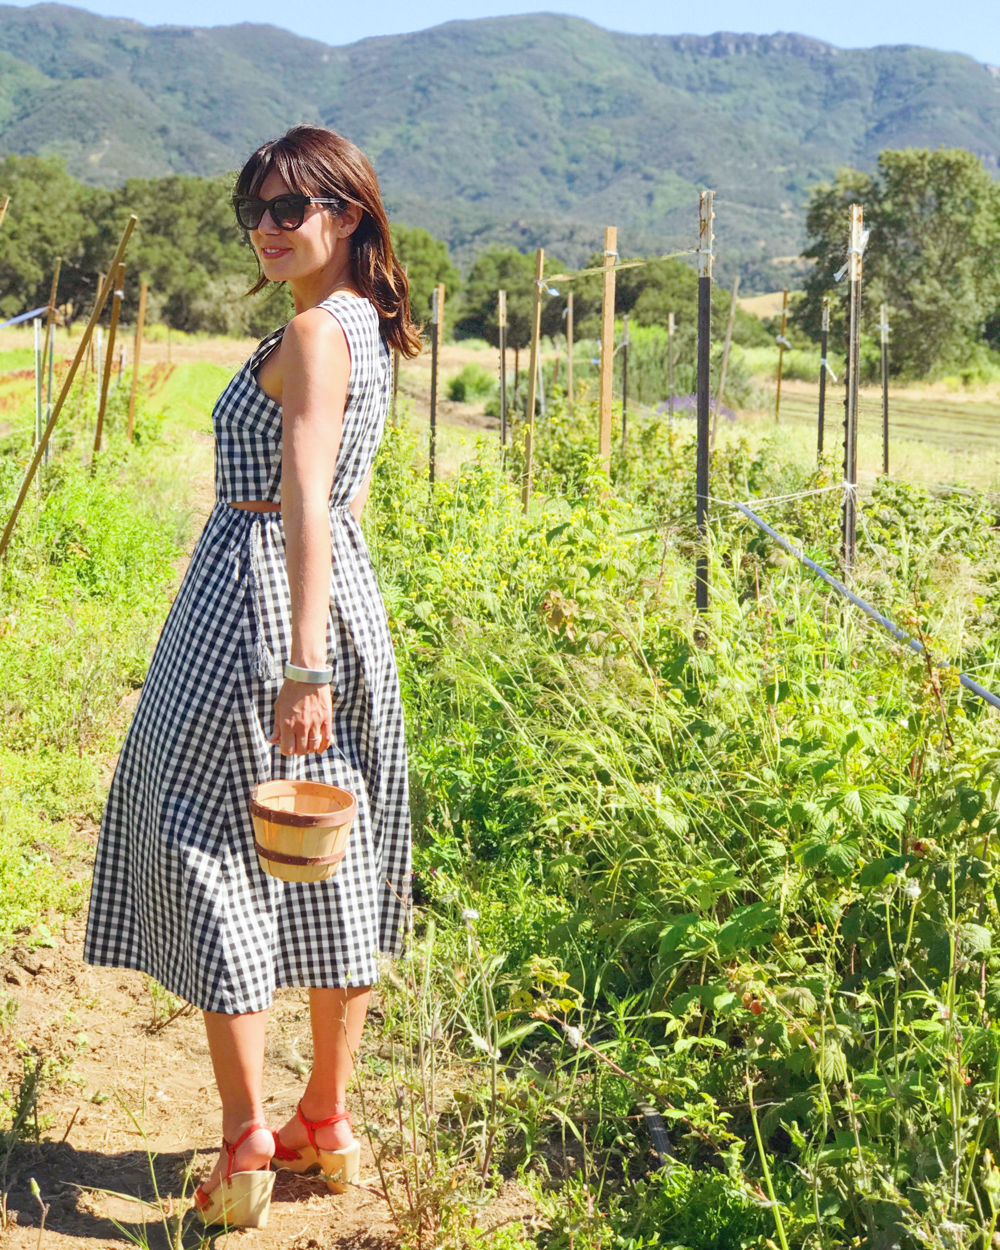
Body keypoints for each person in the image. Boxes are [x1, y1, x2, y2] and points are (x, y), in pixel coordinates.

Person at [83, 124, 421, 1228]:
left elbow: (313, 496)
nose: (267, 227)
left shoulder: (319, 335)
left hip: (261, 608)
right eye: (257, 209)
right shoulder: (362, 323)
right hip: (332, 596)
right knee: (332, 846)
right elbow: (345, 501)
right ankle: (324, 1121)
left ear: (347, 214)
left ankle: (245, 1144)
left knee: (211, 839)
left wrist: (302, 660)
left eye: (291, 209)